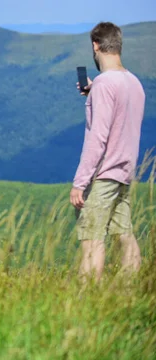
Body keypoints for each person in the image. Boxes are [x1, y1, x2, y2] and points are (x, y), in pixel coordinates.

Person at [70, 22, 145, 282]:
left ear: (96, 45)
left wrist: (80, 183)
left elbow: (97, 138)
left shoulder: (104, 84)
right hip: (125, 172)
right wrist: (94, 91)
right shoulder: (134, 83)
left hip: (103, 175)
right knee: (124, 235)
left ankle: (88, 301)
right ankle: (128, 293)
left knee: (92, 240)